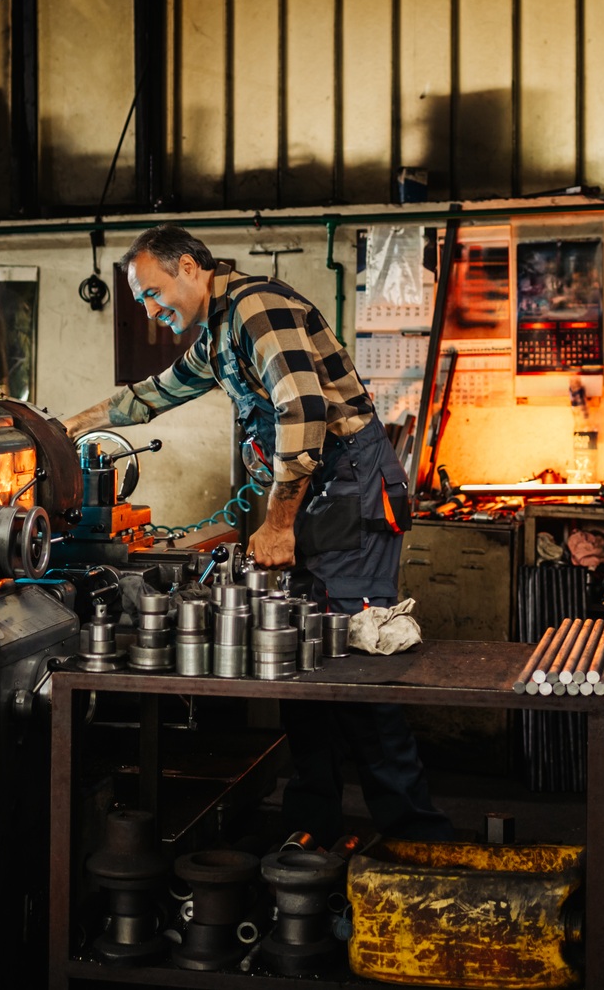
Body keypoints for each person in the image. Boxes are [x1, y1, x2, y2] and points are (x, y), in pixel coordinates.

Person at [63, 224, 452, 843]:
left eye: (153, 292)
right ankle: (314, 831)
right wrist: (61, 428)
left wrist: (277, 523)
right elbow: (151, 397)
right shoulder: (216, 335)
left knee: (355, 661)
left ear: (191, 266)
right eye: (140, 300)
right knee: (299, 657)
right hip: (314, 496)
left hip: (349, 492)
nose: (149, 309)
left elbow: (302, 410)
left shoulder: (255, 306)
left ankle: (417, 839)